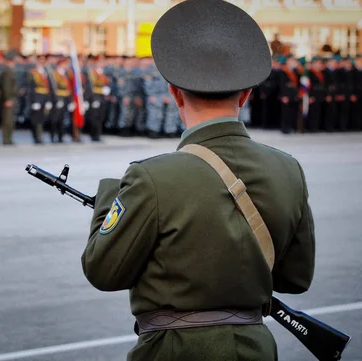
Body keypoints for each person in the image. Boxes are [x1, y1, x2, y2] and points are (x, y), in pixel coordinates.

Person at [81, 1, 316, 360]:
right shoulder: (288, 168)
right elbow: (296, 279)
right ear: (246, 94)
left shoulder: (151, 177)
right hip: (255, 348)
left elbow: (103, 271)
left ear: (175, 93)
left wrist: (111, 198)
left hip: (176, 350)